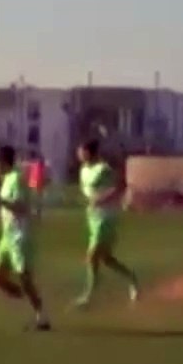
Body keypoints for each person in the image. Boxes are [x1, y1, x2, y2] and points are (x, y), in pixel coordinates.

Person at [74, 132, 139, 307]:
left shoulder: (103, 169)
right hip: (92, 217)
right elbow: (87, 190)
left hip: (107, 217)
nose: (78, 154)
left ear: (90, 152)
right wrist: (89, 200)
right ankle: (131, 278)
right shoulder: (83, 170)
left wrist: (102, 198)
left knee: (91, 255)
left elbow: (120, 186)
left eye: (81, 151)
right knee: (106, 259)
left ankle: (89, 294)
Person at [0, 144, 51, 331]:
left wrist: (1, 202)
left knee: (24, 278)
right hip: (7, 236)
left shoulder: (16, 178)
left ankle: (42, 316)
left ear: (3, 161)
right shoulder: (5, 179)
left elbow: (22, 207)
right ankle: (27, 296)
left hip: (19, 235)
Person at [25, 148, 49, 219]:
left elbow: (44, 175)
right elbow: (30, 173)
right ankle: (35, 211)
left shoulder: (39, 166)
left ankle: (37, 211)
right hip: (35, 183)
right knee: (35, 198)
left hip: (37, 183)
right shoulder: (35, 165)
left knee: (37, 198)